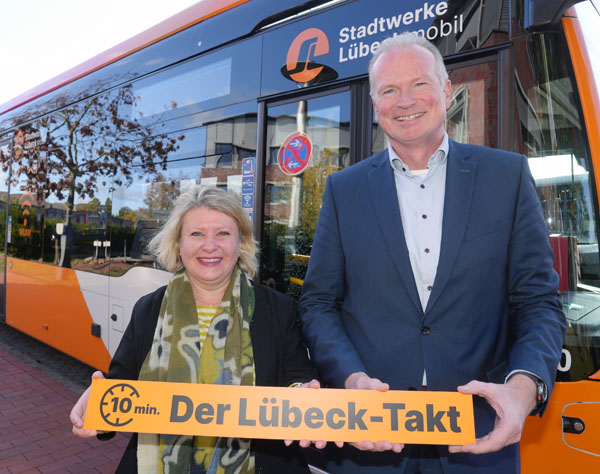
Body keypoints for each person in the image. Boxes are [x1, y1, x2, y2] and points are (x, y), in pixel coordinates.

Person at [299, 32, 566, 474]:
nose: (405, 101)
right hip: (371, 437)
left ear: (445, 91)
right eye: (389, 90)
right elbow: (318, 304)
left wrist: (523, 389)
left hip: (481, 433)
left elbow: (538, 302)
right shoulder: (342, 191)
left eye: (419, 84)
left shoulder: (507, 177)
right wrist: (351, 379)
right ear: (375, 104)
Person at [70, 186, 319, 474]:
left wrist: (302, 392)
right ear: (178, 243)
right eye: (196, 234)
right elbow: (122, 385)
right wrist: (98, 406)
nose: (210, 246)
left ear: (242, 243)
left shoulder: (277, 308)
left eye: (223, 234)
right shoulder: (148, 309)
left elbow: (297, 376)